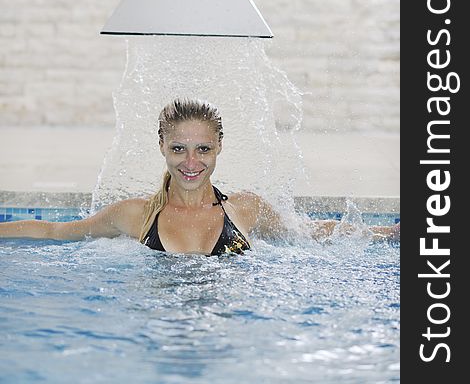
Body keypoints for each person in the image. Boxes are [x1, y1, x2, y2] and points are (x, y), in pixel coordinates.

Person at [0, 99, 400, 255]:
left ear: (219, 148)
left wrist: (392, 234)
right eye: (178, 149)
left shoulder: (244, 209)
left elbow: (308, 232)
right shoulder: (136, 215)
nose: (191, 162)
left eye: (203, 149)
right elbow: (55, 232)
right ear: (162, 147)